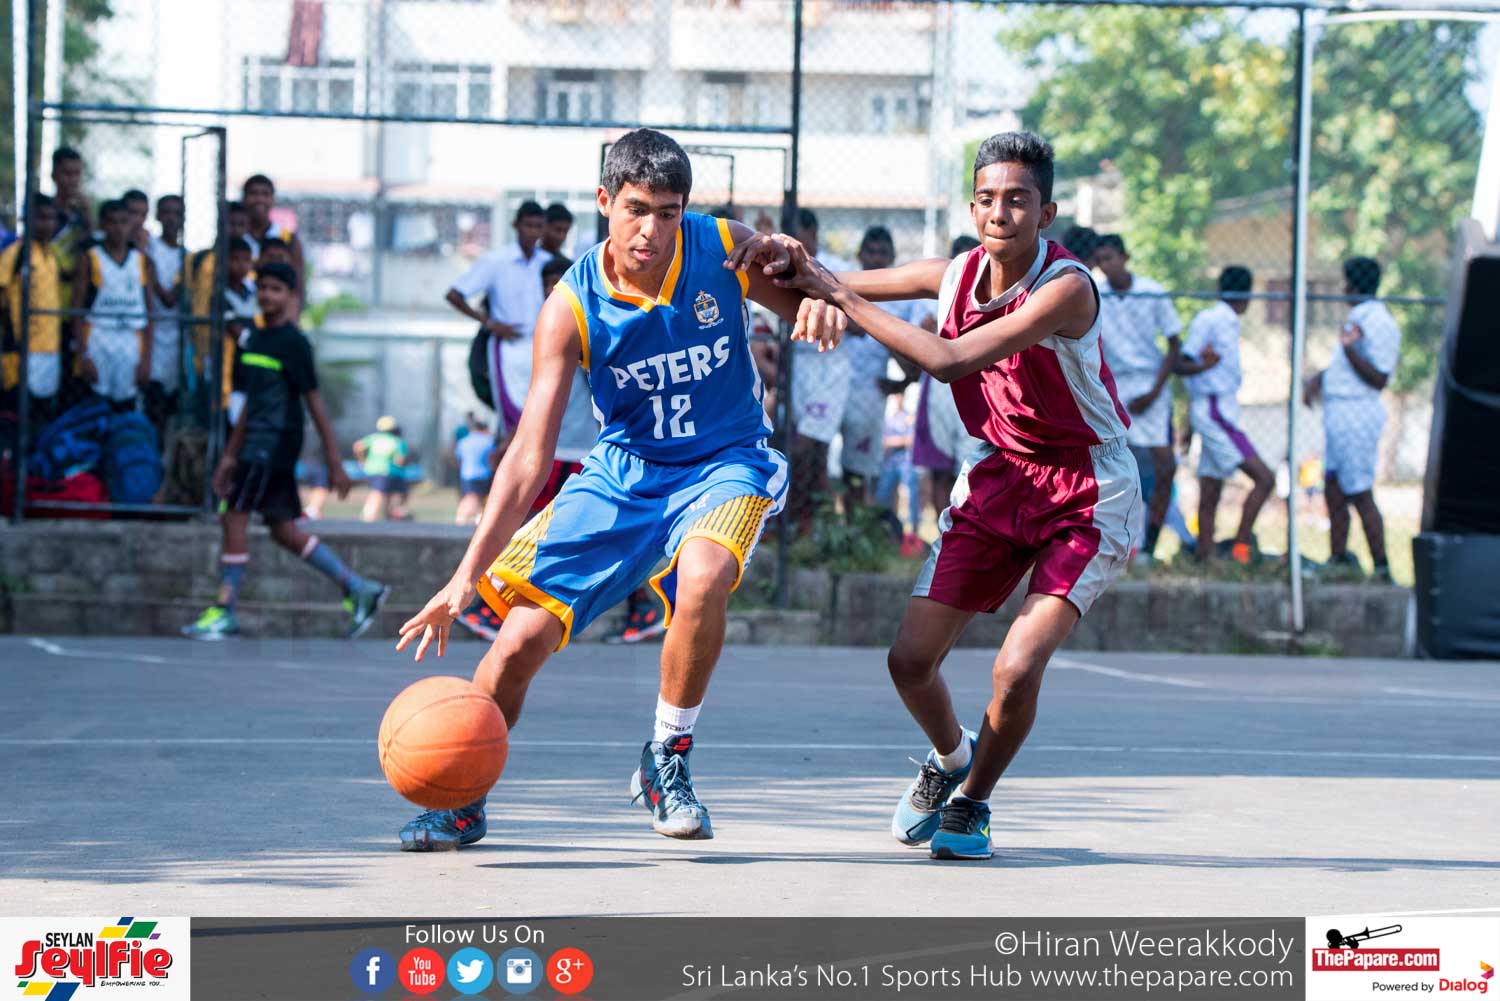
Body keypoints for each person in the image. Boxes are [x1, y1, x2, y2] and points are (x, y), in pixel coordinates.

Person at [392, 128, 844, 851]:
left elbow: (814, 294)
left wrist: (819, 297)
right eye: (636, 208)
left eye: (669, 211)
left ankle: (667, 755)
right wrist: (464, 574)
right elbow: (526, 456)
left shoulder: (720, 246)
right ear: (605, 202)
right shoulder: (569, 306)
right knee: (516, 645)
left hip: (725, 460)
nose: (652, 229)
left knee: (704, 574)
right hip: (623, 474)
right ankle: (461, 798)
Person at [734, 131, 1142, 861]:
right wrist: (772, 256)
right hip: (1002, 475)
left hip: (1087, 487)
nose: (999, 213)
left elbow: (949, 360)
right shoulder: (956, 273)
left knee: (1016, 668)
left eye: (1017, 200)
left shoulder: (1067, 287)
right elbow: (829, 282)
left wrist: (836, 295)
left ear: (1045, 213)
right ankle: (950, 758)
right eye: (986, 198)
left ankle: (974, 801)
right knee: (909, 660)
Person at [183, 262, 388, 640]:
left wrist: (333, 461)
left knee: (234, 516)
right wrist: (230, 454)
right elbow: (251, 402)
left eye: (275, 289)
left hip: (272, 445)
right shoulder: (255, 339)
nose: (266, 295)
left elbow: (314, 401)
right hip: (252, 441)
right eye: (261, 288)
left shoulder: (294, 343)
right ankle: (359, 588)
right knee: (282, 530)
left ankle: (225, 609)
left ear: (291, 296)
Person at [1304, 256, 1399, 582]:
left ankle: (1382, 565)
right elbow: (1345, 368)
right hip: (1339, 414)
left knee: (1359, 491)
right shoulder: (1358, 317)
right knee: (1332, 486)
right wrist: (1319, 379)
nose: (1342, 287)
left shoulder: (1379, 321)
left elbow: (1379, 378)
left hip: (1358, 414)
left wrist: (1349, 351)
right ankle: (1338, 556)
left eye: (1346, 281)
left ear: (1353, 284)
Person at [1092, 233, 1182, 564]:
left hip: (1150, 383)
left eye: (1110, 258)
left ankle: (1150, 547)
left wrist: (1156, 391)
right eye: (1100, 260)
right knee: (1113, 468)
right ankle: (1114, 543)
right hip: (1114, 385)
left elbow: (1174, 344)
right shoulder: (1096, 293)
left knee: (1164, 467)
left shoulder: (1152, 291)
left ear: (1125, 257)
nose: (1105, 266)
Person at [1178, 266, 1275, 565]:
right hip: (1215, 410)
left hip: (1219, 408)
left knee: (1211, 487)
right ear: (1247, 296)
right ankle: (1240, 547)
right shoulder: (1212, 319)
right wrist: (1204, 368)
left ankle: (1205, 555)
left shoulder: (1227, 321)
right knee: (1265, 478)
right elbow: (1181, 363)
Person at [839, 226, 934, 506]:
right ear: (860, 254)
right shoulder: (840, 285)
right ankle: (818, 526)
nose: (876, 258)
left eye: (883, 253)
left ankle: (856, 528)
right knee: (816, 456)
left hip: (869, 391)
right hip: (832, 382)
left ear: (892, 256)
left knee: (858, 469)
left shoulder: (903, 300)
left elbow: (918, 358)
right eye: (871, 251)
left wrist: (902, 384)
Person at [445, 201, 551, 434]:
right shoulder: (495, 261)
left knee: (540, 419)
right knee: (512, 419)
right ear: (516, 225)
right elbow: (454, 295)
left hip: (542, 350)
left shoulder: (547, 263)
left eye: (538, 226)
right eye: (528, 225)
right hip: (507, 350)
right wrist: (490, 324)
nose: (533, 232)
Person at [786, 207, 854, 530]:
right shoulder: (780, 270)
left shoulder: (838, 270)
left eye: (797, 234)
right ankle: (805, 521)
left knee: (812, 445)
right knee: (802, 447)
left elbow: (862, 323)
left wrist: (829, 314)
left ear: (812, 233)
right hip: (798, 365)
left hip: (830, 365)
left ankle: (814, 520)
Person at [910, 236, 979, 525]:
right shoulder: (932, 295)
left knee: (971, 467)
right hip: (938, 388)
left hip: (974, 385)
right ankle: (942, 533)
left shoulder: (988, 295)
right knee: (939, 468)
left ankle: (967, 530)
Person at [72, 199, 157, 413]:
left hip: (131, 340)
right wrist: (83, 355)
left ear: (131, 225)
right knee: (95, 406)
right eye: (112, 223)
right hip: (99, 338)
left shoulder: (141, 260)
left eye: (124, 222)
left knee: (127, 407)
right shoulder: (90, 258)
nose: (119, 228)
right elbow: (77, 311)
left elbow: (149, 312)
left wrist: (147, 358)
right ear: (102, 225)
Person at [0, 195, 63, 427]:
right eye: (40, 218)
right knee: (16, 413)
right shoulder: (16, 253)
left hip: (49, 349)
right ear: (26, 219)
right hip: (21, 350)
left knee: (42, 414)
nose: (46, 224)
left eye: (51, 219)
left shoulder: (50, 255)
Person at [143, 194, 187, 435]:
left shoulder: (186, 257)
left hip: (176, 339)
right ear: (158, 216)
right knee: (152, 401)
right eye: (166, 212)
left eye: (177, 213)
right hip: (151, 336)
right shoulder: (149, 249)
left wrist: (153, 276)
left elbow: (171, 300)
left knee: (172, 407)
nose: (171, 218)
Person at [240, 174, 305, 289]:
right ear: (243, 198)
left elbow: (298, 285)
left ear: (273, 199)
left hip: (275, 305)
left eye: (265, 194)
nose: (259, 199)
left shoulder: (287, 237)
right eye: (253, 193)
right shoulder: (233, 236)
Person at [355, 416, 410, 522]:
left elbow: (357, 447)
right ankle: (369, 515)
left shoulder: (373, 438)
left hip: (371, 470)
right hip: (387, 471)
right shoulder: (397, 441)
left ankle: (386, 515)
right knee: (380, 493)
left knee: (381, 492)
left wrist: (362, 461)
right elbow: (400, 461)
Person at [453, 413, 495, 525]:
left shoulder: (463, 441)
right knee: (477, 500)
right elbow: (492, 459)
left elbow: (458, 459)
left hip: (466, 475)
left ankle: (462, 520)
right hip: (484, 474)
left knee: (470, 498)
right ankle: (463, 520)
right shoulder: (489, 441)